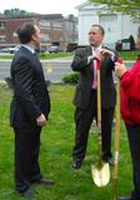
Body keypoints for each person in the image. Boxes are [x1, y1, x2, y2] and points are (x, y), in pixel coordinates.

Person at [10, 23, 54, 198]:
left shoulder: (30, 54)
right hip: (25, 116)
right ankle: (21, 185)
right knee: (23, 151)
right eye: (39, 31)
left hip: (33, 114)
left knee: (33, 147)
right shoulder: (22, 58)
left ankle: (34, 176)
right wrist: (37, 113)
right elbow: (22, 92)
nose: (41, 33)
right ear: (33, 37)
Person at [71, 24, 117, 169]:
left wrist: (111, 56)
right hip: (86, 97)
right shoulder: (82, 52)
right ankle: (78, 158)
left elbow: (118, 62)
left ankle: (106, 156)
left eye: (94, 33)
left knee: (106, 129)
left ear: (102, 37)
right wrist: (91, 58)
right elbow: (75, 65)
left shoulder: (109, 52)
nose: (91, 35)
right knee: (81, 130)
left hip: (105, 97)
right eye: (89, 33)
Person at [115, 21, 140, 200]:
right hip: (136, 121)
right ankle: (138, 194)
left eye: (137, 35)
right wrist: (121, 66)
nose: (136, 38)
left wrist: (125, 75)